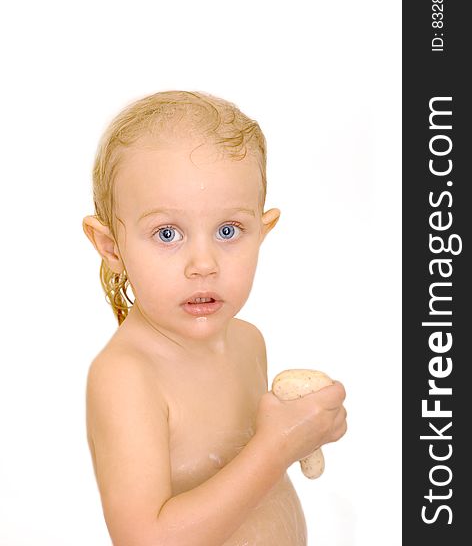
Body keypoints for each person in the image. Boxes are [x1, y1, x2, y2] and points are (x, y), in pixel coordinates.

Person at [82, 90, 347, 546]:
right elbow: (147, 539)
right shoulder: (127, 376)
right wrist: (277, 447)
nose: (203, 263)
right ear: (111, 248)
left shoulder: (248, 341)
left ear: (262, 232)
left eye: (229, 231)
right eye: (167, 234)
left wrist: (305, 430)